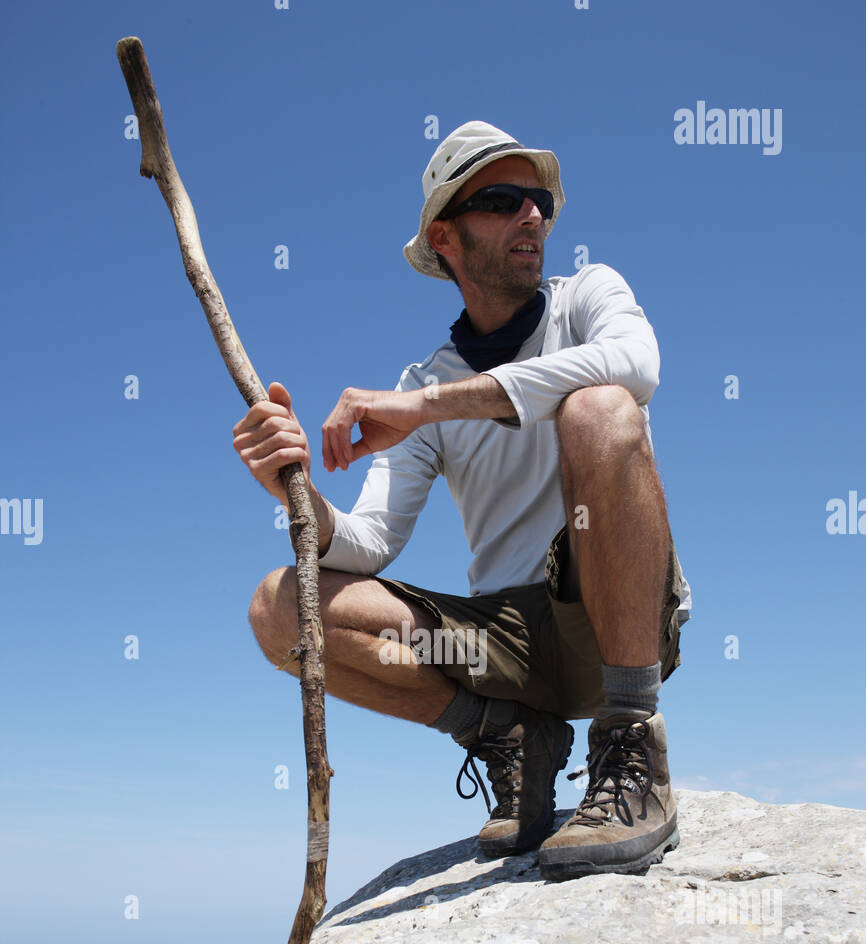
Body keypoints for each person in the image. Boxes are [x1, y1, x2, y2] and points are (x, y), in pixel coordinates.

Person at [233, 121, 691, 880]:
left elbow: (637, 365)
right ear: (445, 238)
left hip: (613, 622)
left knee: (600, 409)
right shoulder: (422, 384)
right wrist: (296, 491)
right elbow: (369, 544)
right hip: (504, 651)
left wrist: (430, 406)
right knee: (279, 610)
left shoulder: (586, 297)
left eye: (538, 199)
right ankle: (510, 735)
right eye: (503, 200)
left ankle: (632, 741)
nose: (533, 216)